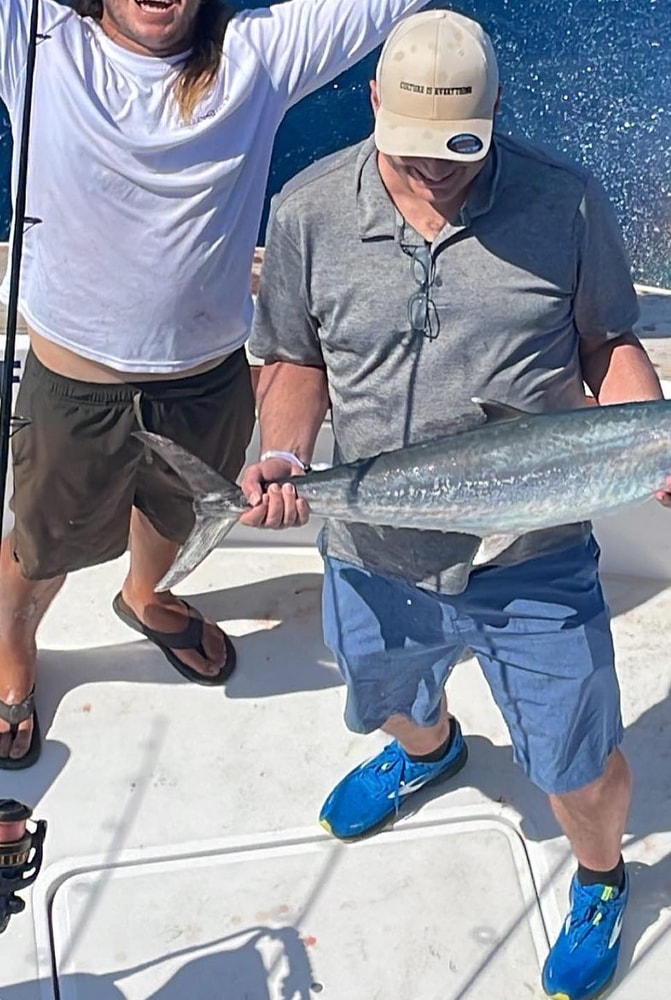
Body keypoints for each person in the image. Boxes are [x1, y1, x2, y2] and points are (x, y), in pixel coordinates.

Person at [242, 10, 671, 999]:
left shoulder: (567, 203)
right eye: (412, 149)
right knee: (392, 702)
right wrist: (286, 451)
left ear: (497, 111)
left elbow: (608, 344)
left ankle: (599, 876)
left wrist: (653, 445)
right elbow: (291, 356)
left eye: (459, 148)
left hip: (531, 550)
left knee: (577, 765)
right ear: (372, 105)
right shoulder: (305, 211)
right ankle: (432, 754)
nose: (433, 172)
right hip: (374, 541)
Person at [0, 0, 431, 769]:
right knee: (39, 553)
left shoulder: (256, 55)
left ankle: (145, 595)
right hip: (74, 390)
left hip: (208, 383)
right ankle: (9, 655)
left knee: (182, 513)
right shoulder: (35, 42)